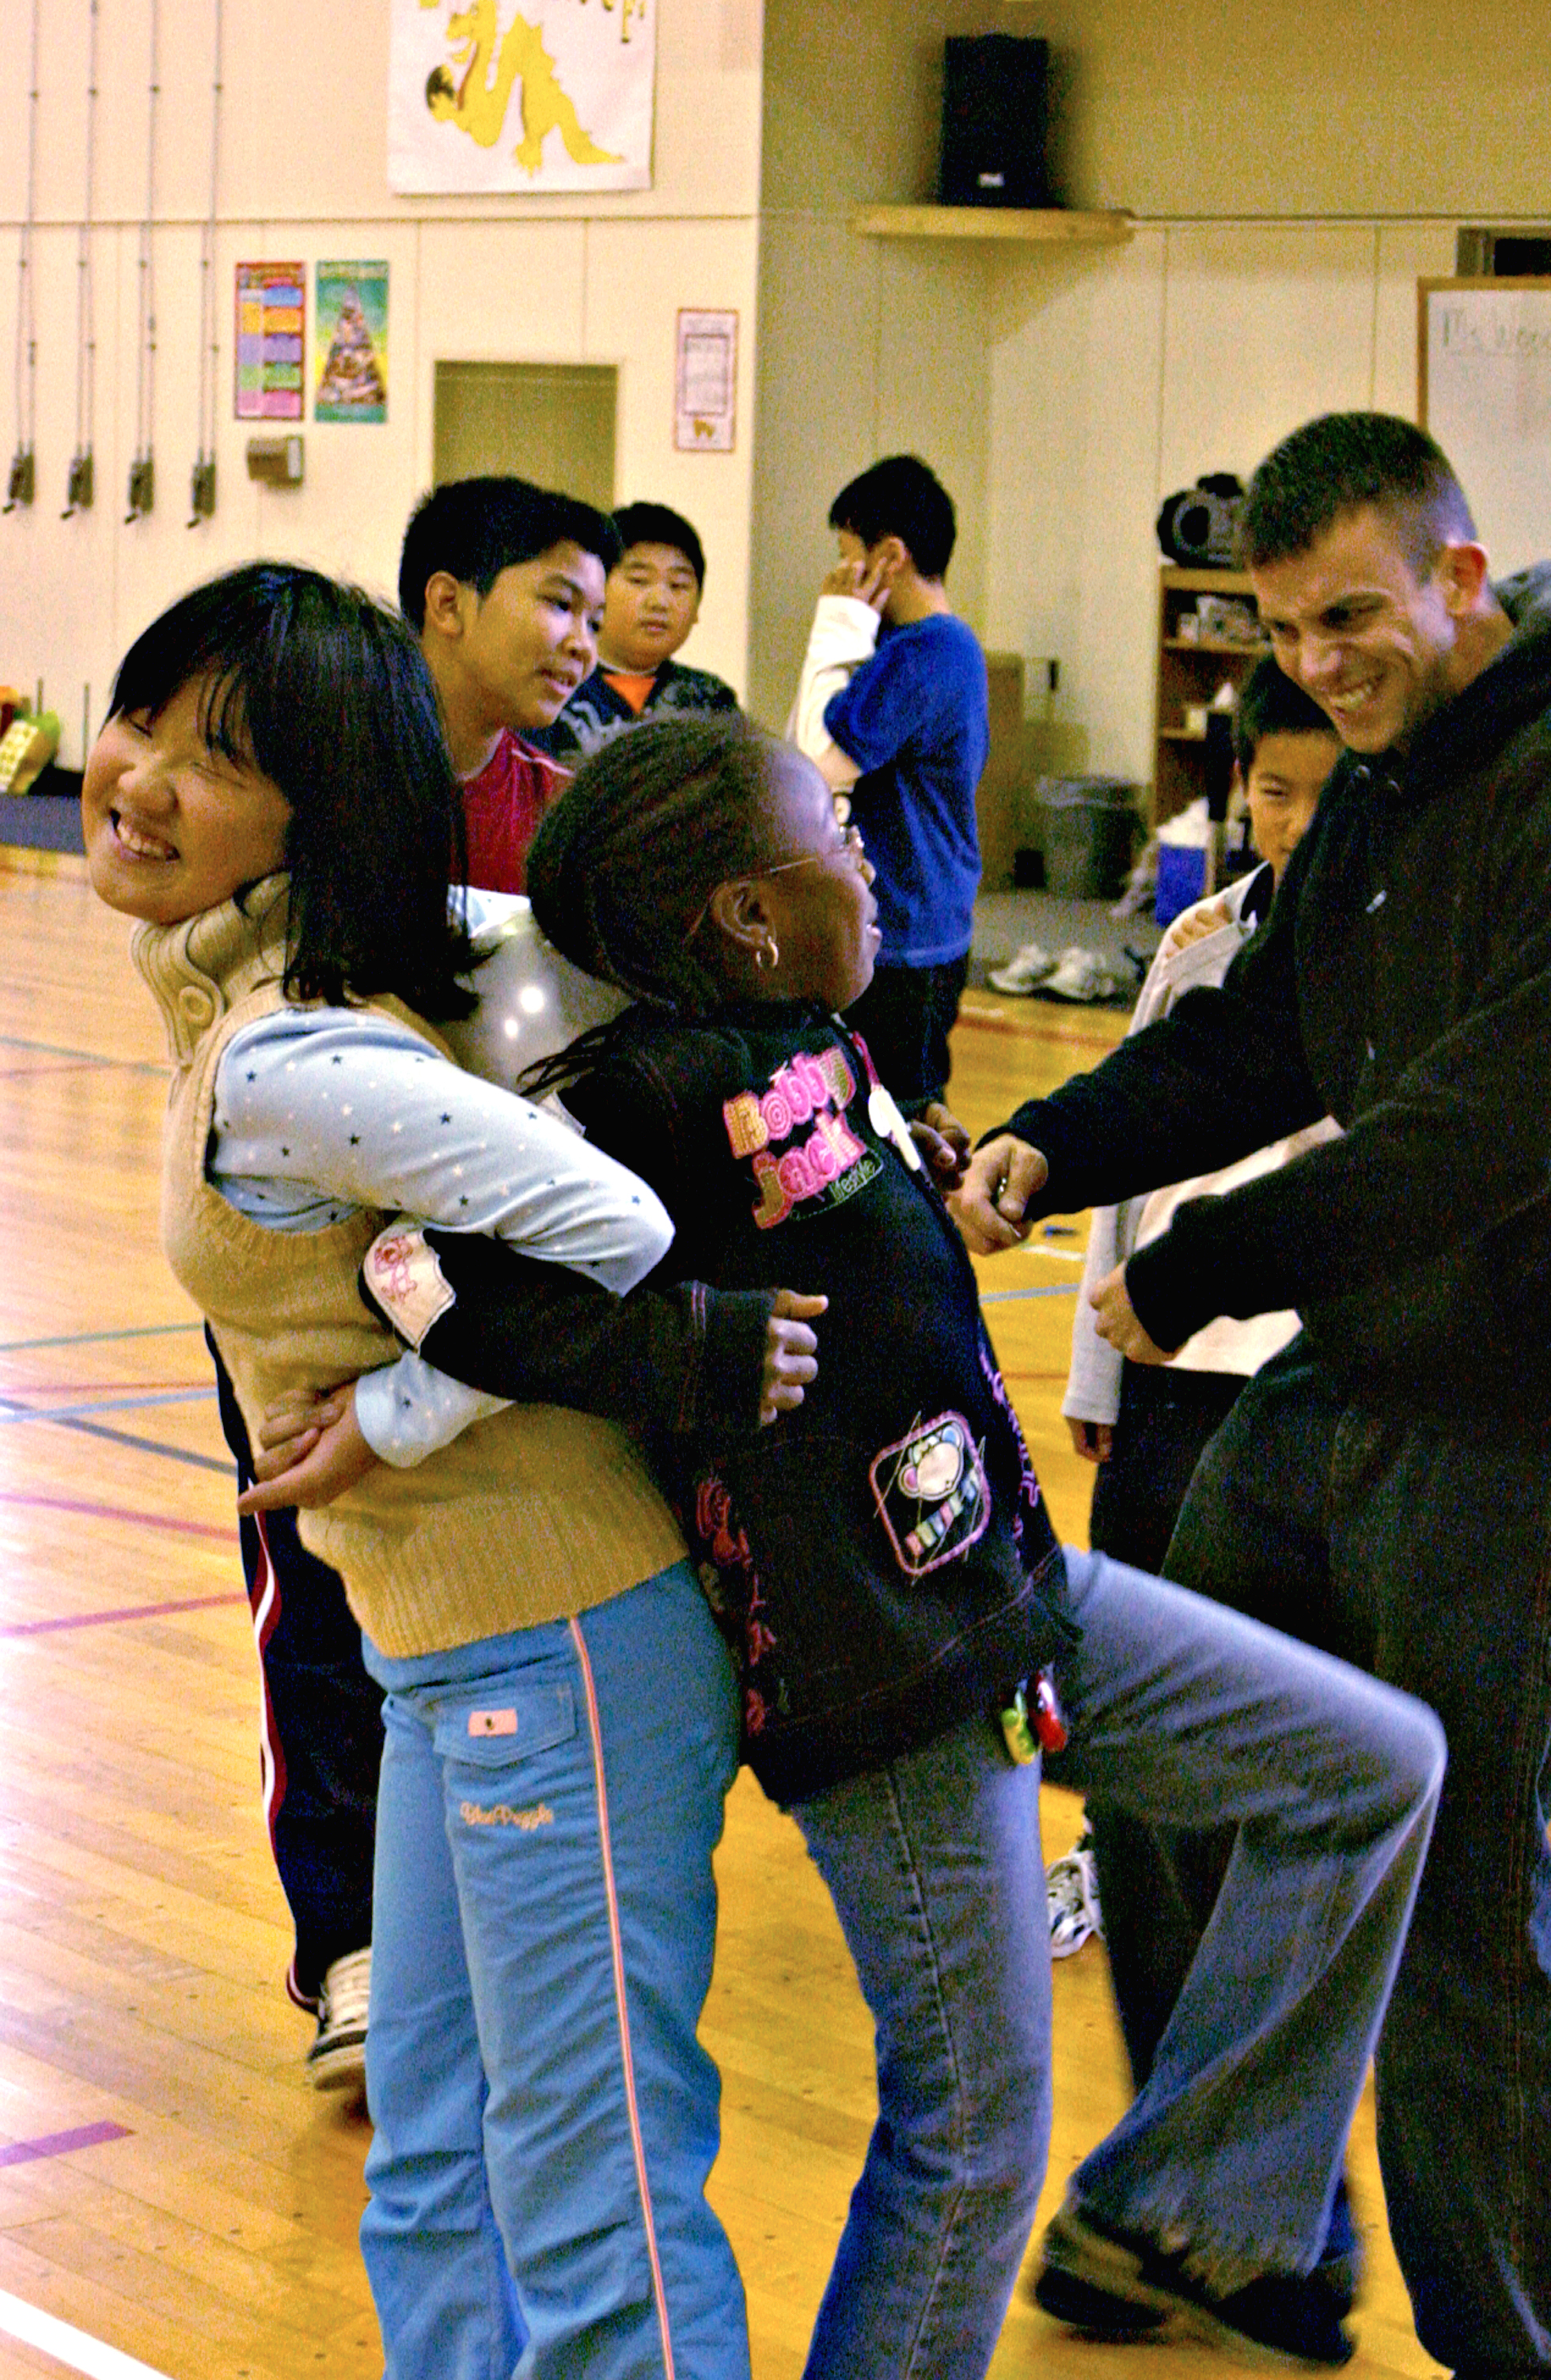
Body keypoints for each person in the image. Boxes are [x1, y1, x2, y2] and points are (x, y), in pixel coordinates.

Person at [276, 710, 1447, 2375]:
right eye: (835, 834)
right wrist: (623, 1363)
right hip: (884, 1686)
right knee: (968, 2142)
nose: (873, 854)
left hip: (1013, 1600)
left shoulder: (808, 1037)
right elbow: (445, 1278)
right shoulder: (654, 1093)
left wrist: (938, 1172)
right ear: (747, 913)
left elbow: (831, 1201)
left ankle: (1188, 2200)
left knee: (1367, 1766)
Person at [82, 561, 822, 2378]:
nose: (141, 774)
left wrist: (397, 1415)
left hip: (552, 1635)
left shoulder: (286, 1054)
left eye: (216, 754)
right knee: (424, 2162)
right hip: (444, 1653)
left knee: (589, 2188)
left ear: (314, 816)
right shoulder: (293, 996)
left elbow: (616, 1221)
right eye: (144, 719)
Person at [955, 411, 1551, 2374]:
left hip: (1513, 1426)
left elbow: (1481, 1123)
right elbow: (1261, 1039)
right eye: (1288, 629)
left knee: (1465, 1901)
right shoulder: (1373, 795)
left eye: (1354, 615)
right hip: (1349, 1374)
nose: (1320, 661)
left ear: (1461, 578)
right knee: (1171, 1757)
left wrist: (1200, 1264)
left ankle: (1507, 2325)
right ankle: (1236, 2216)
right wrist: (1055, 1145)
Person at [1056, 658, 1339, 2041]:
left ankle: (1258, 1902)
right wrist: (1097, 1369)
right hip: (1159, 1359)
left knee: (1279, 1667)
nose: (1294, 820)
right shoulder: (1203, 939)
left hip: (1294, 1375)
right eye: (1274, 790)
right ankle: (1129, 1863)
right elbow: (1128, 1153)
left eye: (1325, 792)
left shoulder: (1404, 951)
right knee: (1137, 1641)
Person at [787, 455, 988, 1104]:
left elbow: (813, 762)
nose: (842, 576)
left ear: (889, 556)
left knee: (902, 1118)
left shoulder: (922, 651)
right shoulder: (941, 645)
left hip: (906, 935)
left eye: (850, 557)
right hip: (923, 922)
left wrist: (836, 621)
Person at [399, 472, 619, 892]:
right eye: (560, 604)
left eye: (595, 624)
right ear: (448, 604)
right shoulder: (325, 776)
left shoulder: (561, 814)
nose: (584, 648)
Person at [536, 500, 738, 760]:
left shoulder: (710, 699)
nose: (659, 602)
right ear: (595, 589)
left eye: (678, 585)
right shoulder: (553, 685)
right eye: (639, 581)